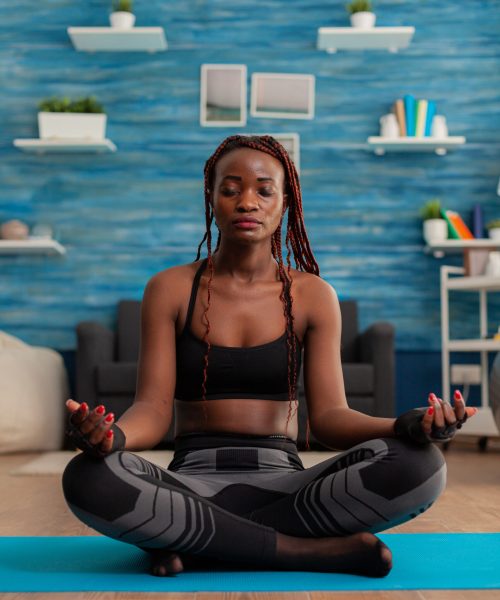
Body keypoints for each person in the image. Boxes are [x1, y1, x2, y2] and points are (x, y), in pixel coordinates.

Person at [62, 135, 477, 578]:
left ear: (286, 203)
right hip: (188, 483)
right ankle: (306, 552)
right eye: (231, 188)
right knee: (87, 476)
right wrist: (112, 440)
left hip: (288, 488)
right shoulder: (169, 289)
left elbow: (332, 418)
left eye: (264, 190)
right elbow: (152, 410)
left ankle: (197, 542)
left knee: (422, 464)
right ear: (212, 198)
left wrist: (408, 425)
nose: (247, 202)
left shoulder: (313, 295)